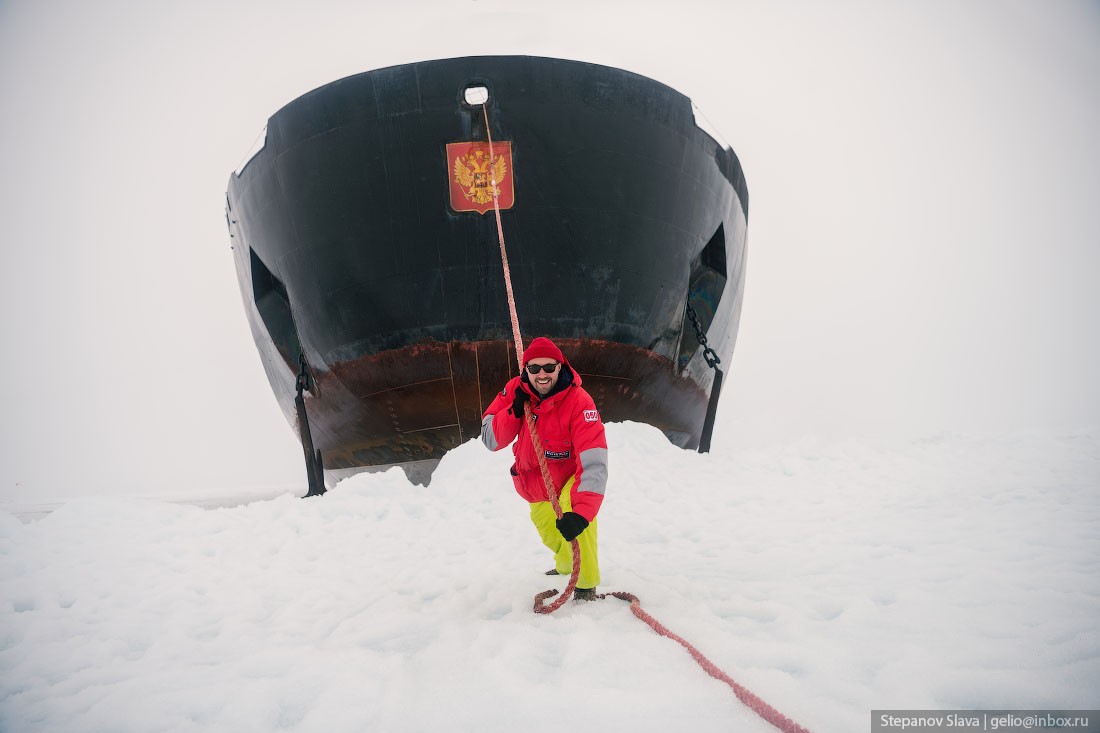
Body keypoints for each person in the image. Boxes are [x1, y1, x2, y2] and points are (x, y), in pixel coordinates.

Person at [480, 337, 608, 600]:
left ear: (560, 367)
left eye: (549, 368)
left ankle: (584, 586)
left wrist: (583, 514)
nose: (542, 375)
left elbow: (594, 461)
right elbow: (490, 440)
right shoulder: (516, 390)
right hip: (535, 482)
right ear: (525, 368)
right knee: (550, 534)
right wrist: (513, 412)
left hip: (570, 476)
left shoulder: (580, 402)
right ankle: (565, 564)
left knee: (575, 517)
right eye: (534, 368)